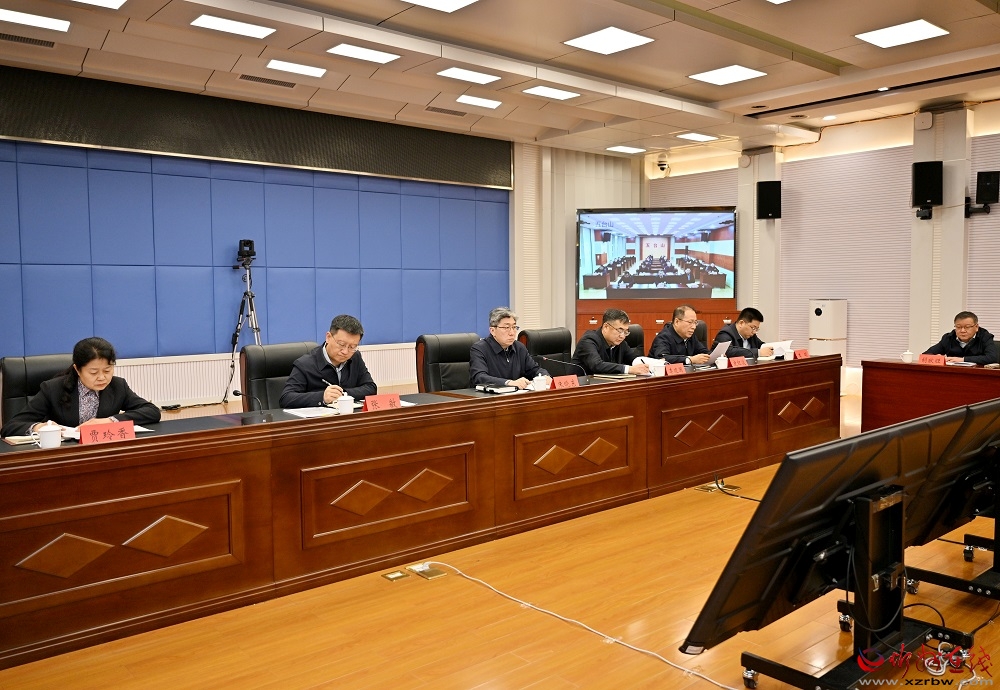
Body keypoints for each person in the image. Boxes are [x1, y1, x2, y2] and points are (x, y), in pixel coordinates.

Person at [1, 337, 161, 438]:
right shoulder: (53, 389)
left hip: (104, 452)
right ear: (77, 369)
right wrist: (40, 427)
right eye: (93, 372)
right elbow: (10, 426)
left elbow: (152, 411)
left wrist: (109, 421)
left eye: (107, 370)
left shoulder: (118, 386)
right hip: (64, 456)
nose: (102, 377)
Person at [279, 314, 377, 408]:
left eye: (352, 347)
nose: (345, 351)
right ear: (328, 337)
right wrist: (322, 397)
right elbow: (286, 398)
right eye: (341, 344)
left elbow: (371, 388)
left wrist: (343, 394)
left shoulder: (355, 357)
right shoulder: (305, 364)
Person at [469, 307, 548, 389]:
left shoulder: (519, 347)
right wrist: (508, 383)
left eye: (514, 327)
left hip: (517, 395)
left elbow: (534, 369)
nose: (512, 333)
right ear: (492, 331)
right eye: (506, 328)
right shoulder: (479, 349)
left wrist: (544, 376)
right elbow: (479, 377)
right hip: (490, 396)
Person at [572, 308, 650, 375]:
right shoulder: (588, 340)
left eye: (626, 332)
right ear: (606, 327)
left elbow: (634, 359)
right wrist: (629, 369)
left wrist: (650, 365)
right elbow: (597, 365)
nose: (622, 336)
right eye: (620, 330)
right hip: (581, 386)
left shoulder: (620, 343)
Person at [923, 311, 999, 365]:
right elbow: (925, 355)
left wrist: (962, 359)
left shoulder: (985, 337)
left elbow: (992, 358)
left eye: (967, 327)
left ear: (976, 327)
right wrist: (937, 358)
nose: (962, 331)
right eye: (958, 327)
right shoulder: (948, 338)